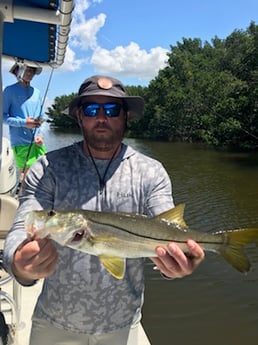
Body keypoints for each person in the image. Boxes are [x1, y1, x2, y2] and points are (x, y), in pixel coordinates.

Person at [3, 75, 205, 345]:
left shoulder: (151, 172)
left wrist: (176, 264)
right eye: (91, 109)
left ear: (125, 117)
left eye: (111, 110)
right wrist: (19, 263)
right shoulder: (48, 167)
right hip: (55, 322)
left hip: (122, 325)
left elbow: (167, 226)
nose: (102, 117)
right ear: (79, 116)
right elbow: (21, 226)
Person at [3, 62, 47, 179]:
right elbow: (3, 117)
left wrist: (41, 135)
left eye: (32, 70)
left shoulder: (37, 92)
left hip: (38, 144)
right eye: (27, 69)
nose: (30, 73)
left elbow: (42, 117)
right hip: (21, 144)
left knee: (44, 178)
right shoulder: (9, 91)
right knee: (28, 179)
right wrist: (24, 123)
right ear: (17, 71)